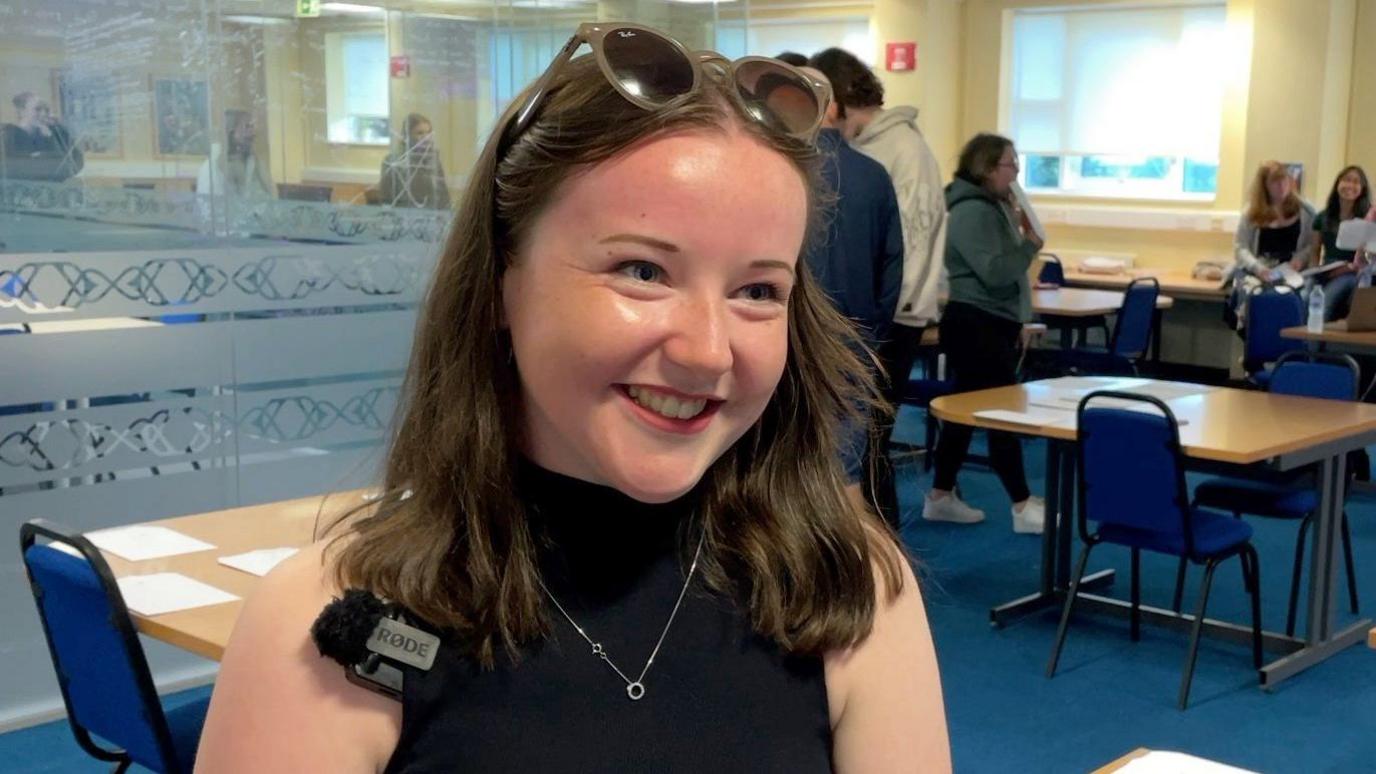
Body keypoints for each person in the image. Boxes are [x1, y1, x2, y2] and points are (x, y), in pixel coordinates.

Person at [196, 23, 949, 773]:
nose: (707, 350)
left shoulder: (849, 590)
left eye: (757, 290)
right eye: (642, 272)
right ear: (500, 282)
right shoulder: (330, 623)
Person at [810, 48, 946, 527]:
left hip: (884, 320)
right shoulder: (873, 156)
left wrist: (876, 328)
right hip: (872, 319)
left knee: (865, 448)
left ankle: (879, 562)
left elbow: (903, 250)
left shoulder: (896, 153)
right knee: (860, 448)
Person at [794, 64, 904, 523]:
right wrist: (873, 331)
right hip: (854, 339)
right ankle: (851, 581)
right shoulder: (873, 174)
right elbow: (893, 264)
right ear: (834, 108)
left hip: (786, 336)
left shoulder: (774, 169)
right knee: (846, 471)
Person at [925, 133, 1044, 534]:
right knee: (1001, 411)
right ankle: (1023, 504)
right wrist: (1030, 245)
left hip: (988, 321)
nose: (1016, 172)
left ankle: (941, 496)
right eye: (1011, 163)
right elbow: (995, 273)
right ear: (988, 167)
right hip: (977, 322)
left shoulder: (991, 208)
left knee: (965, 412)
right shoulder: (972, 211)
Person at [1229, 160, 1317, 326]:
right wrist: (1258, 268)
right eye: (1275, 182)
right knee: (1255, 296)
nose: (1281, 186)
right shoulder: (1251, 212)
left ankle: (1290, 344)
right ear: (1264, 186)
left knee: (1295, 298)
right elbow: (1241, 248)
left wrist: (1300, 260)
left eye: (1284, 180)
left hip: (1291, 269)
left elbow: (1311, 244)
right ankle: (1257, 344)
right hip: (1258, 268)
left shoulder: (1305, 210)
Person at [1310, 166, 1371, 321]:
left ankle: (1313, 345)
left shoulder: (1369, 217)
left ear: (1362, 188)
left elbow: (1369, 256)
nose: (1350, 185)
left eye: (1356, 182)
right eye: (1346, 180)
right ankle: (1299, 342)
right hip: (1327, 269)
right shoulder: (1322, 217)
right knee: (1303, 297)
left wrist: (1351, 267)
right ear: (1337, 183)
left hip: (1353, 272)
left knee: (1324, 304)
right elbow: (1314, 251)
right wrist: (1314, 273)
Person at [0, 91, 84, 182]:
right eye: (37, 109)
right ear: (22, 112)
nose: (44, 114)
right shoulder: (10, 136)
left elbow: (74, 165)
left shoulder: (50, 134)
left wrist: (58, 131)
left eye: (47, 110)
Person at [196, 109, 273, 201]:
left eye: (252, 126)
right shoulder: (211, 167)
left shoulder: (253, 162)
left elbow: (272, 195)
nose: (253, 132)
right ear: (231, 132)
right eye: (247, 126)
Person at [379, 112, 451, 210]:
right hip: (403, 215)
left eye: (428, 132)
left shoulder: (433, 160)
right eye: (420, 133)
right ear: (407, 136)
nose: (426, 138)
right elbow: (386, 197)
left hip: (433, 217)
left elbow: (443, 197)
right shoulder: (393, 161)